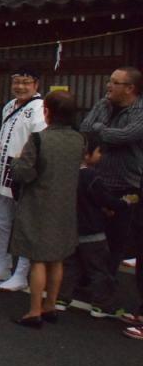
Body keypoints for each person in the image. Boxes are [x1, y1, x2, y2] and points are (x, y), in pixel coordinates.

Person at [9, 91, 84, 327]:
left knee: (38, 259)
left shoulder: (39, 139)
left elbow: (24, 173)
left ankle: (34, 311)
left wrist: (16, 161)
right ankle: (51, 305)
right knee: (57, 258)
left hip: (39, 203)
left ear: (47, 112)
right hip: (65, 203)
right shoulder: (79, 139)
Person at [0, 68, 46, 290]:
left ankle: (21, 272)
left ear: (36, 83)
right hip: (1, 168)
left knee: (24, 224)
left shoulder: (39, 108)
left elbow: (40, 143)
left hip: (21, 170)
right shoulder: (9, 105)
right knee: (1, 220)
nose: (20, 87)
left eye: (25, 82)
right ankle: (2, 265)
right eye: (16, 82)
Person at [79, 66, 143, 277]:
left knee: (116, 239)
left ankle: (106, 285)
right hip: (96, 180)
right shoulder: (103, 103)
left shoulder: (140, 110)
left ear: (130, 88)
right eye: (110, 80)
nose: (109, 85)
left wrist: (100, 130)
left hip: (125, 183)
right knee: (89, 234)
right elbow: (85, 127)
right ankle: (85, 280)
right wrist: (103, 132)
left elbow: (126, 136)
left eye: (115, 82)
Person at [58, 134, 128, 319]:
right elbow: (105, 199)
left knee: (70, 266)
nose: (101, 156)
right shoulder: (91, 176)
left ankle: (62, 299)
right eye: (98, 152)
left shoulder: (67, 175)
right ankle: (101, 305)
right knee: (99, 269)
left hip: (71, 229)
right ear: (88, 155)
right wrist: (124, 203)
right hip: (93, 232)